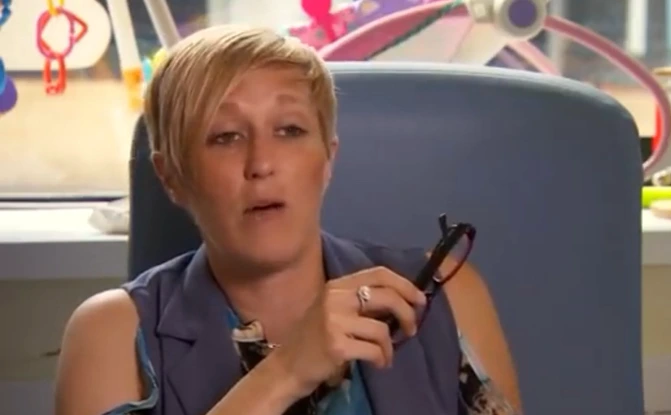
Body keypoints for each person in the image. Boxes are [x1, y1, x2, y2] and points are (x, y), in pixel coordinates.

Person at [55, 25, 521, 415]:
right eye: (225, 136)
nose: (261, 163)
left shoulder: (446, 297)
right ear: (171, 177)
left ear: (327, 159)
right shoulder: (112, 334)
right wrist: (287, 371)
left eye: (290, 130)